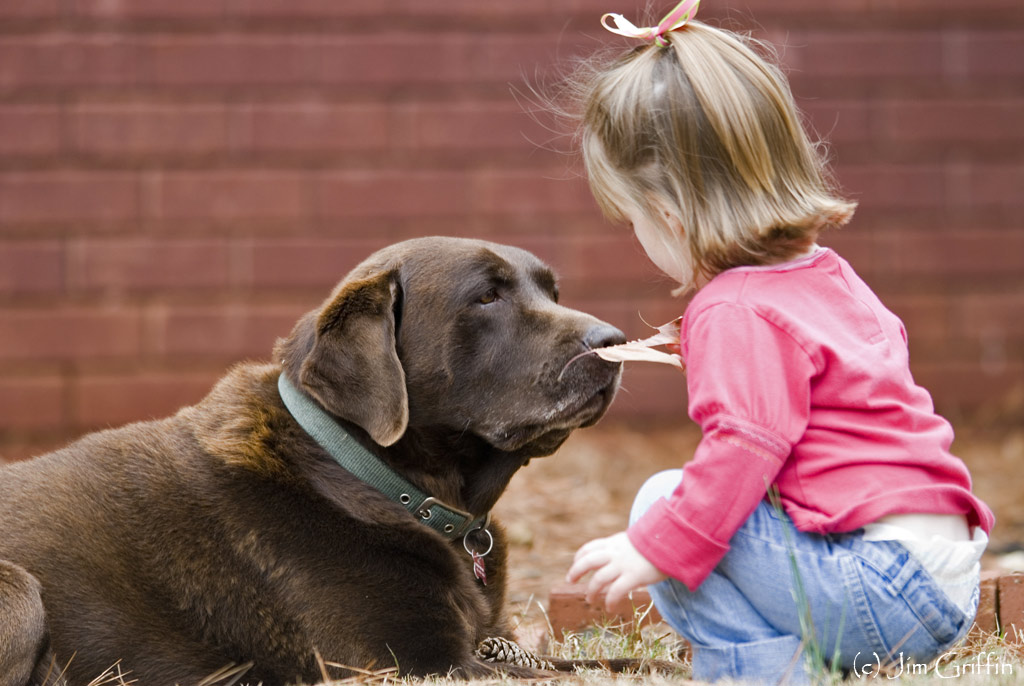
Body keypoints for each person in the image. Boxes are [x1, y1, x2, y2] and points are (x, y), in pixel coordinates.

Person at [563, 2, 994, 683]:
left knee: (663, 508)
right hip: (945, 584)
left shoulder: (734, 308)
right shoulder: (827, 275)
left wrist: (655, 546)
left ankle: (759, 675)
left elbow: (744, 447)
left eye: (632, 220)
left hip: (876, 588)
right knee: (700, 520)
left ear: (669, 217)